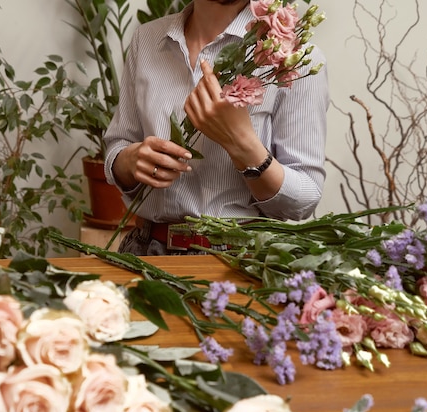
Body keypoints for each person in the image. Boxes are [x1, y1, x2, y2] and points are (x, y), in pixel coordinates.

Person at [103, 0, 329, 256]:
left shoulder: (294, 59)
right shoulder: (147, 39)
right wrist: (130, 161)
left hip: (241, 262)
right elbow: (118, 145)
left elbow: (304, 198)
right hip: (144, 252)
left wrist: (242, 144)